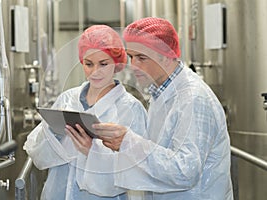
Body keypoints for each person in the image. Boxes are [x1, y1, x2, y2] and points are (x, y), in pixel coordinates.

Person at [90, 17, 234, 199]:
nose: (133, 66)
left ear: (166, 56)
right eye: (131, 57)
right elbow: (160, 157)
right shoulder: (160, 93)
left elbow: (185, 171)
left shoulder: (193, 99)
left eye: (142, 58)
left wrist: (129, 143)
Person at [23, 24, 147, 200]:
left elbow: (137, 170)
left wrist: (93, 151)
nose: (95, 71)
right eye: (89, 64)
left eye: (103, 64)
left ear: (116, 64)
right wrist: (53, 133)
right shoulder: (67, 100)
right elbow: (37, 153)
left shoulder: (131, 109)